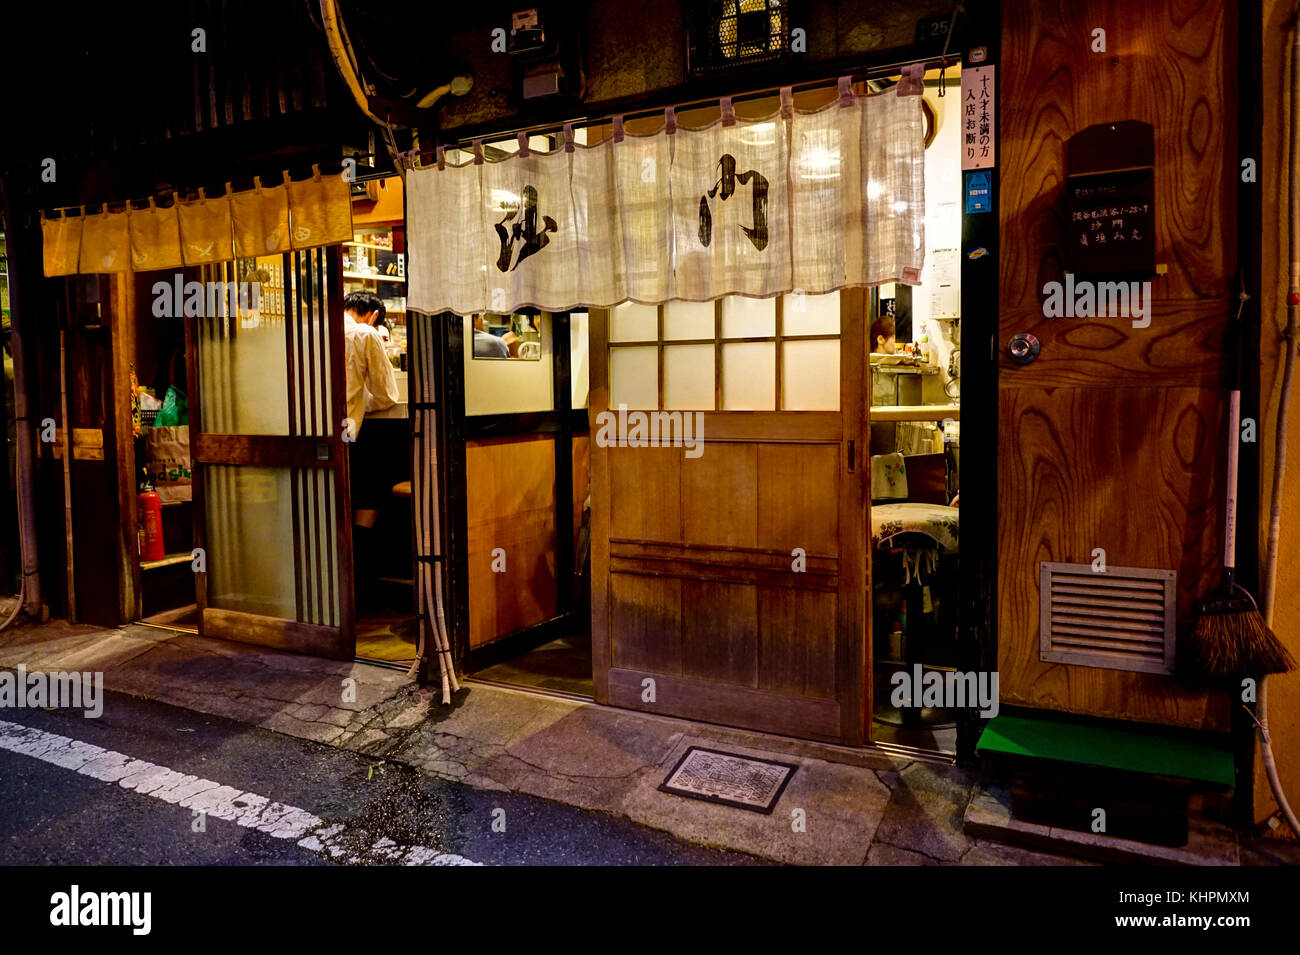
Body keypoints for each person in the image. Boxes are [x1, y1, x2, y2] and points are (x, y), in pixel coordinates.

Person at [343, 290, 400, 609]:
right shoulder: (365, 334)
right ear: (374, 315)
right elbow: (386, 396)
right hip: (347, 439)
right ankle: (360, 587)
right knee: (372, 490)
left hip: (304, 440)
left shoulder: (311, 329)